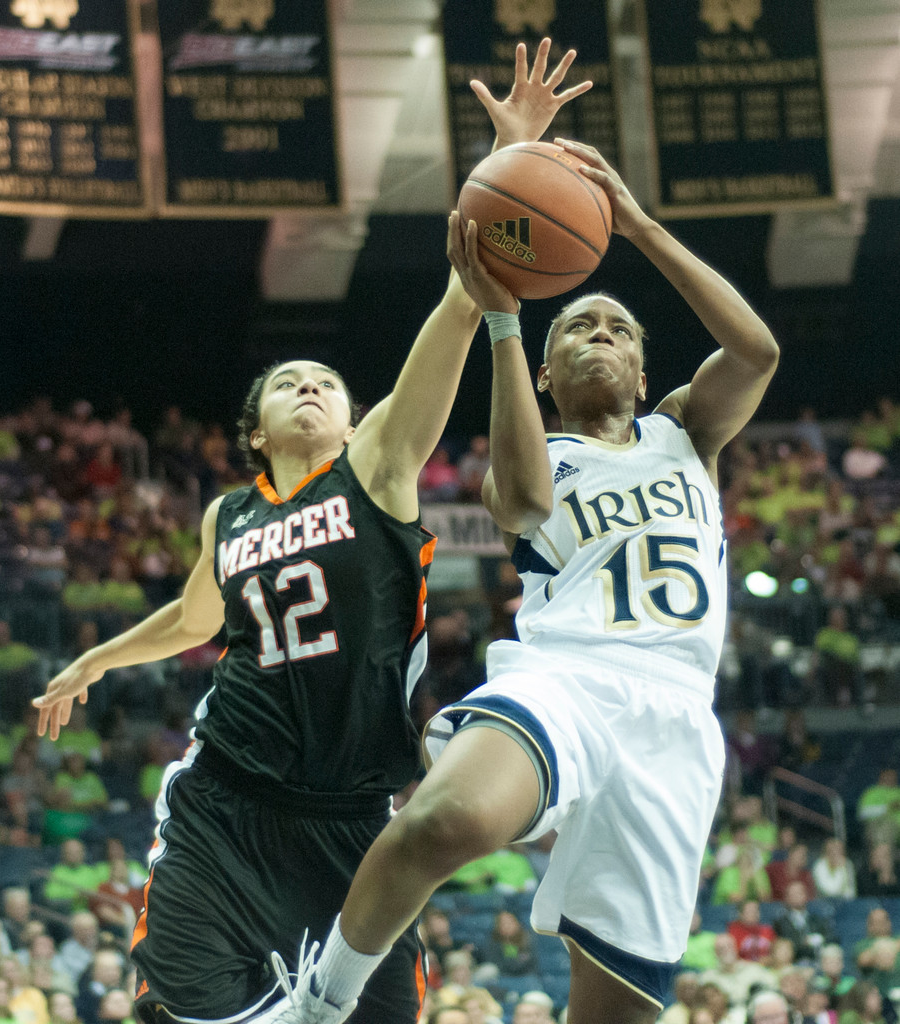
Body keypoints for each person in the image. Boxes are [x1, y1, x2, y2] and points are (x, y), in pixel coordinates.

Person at [29, 39, 589, 1024]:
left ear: (350, 416)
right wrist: (97, 660)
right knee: (176, 1003)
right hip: (227, 793)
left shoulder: (376, 467)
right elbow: (192, 616)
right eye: (286, 381)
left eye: (324, 382)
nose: (307, 386)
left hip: (351, 803)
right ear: (255, 429)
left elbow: (458, 308)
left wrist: (501, 178)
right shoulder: (229, 512)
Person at [261, 40, 779, 1024]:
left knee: (618, 1012)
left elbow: (756, 348)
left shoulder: (687, 432)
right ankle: (319, 1007)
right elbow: (521, 503)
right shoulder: (538, 444)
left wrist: (634, 225)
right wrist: (503, 322)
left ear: (642, 370)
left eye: (616, 327)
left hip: (673, 716)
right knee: (443, 818)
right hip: (565, 677)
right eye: (574, 325)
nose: (596, 332)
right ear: (544, 375)